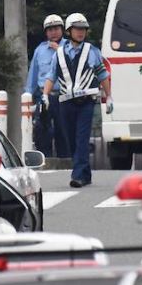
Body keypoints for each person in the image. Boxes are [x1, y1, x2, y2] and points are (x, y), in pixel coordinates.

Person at [44, 13, 113, 188]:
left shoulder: (92, 51)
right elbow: (51, 76)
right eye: (77, 29)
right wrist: (45, 94)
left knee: (82, 138)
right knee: (72, 140)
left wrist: (109, 96)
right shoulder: (59, 53)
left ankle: (78, 176)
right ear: (69, 31)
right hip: (66, 101)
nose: (81, 33)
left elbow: (102, 74)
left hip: (86, 101)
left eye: (83, 29)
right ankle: (86, 174)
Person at [26, 14, 68, 158]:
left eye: (56, 28)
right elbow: (33, 74)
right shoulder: (40, 50)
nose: (53, 32)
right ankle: (45, 159)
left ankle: (66, 161)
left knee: (63, 130)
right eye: (50, 30)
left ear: (62, 30)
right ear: (46, 32)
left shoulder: (69, 47)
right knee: (41, 129)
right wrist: (28, 95)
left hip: (64, 95)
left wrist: (59, 51)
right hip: (44, 96)